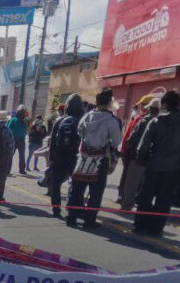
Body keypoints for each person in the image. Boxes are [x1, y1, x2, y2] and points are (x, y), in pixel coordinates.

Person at [133, 91, 180, 236]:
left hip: (155, 164)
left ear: (164, 104)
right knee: (165, 198)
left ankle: (140, 225)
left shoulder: (156, 121)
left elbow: (143, 145)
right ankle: (156, 228)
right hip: (175, 166)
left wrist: (141, 160)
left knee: (146, 196)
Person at [66, 89, 122, 229]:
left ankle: (71, 217)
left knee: (77, 188)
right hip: (100, 158)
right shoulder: (111, 120)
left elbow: (79, 132)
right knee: (96, 192)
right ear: (109, 102)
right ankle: (89, 220)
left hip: (84, 156)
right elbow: (116, 141)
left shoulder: (86, 116)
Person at [120, 98, 160, 210]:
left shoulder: (143, 121)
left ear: (150, 109)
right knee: (146, 185)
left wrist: (127, 154)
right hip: (153, 160)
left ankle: (127, 205)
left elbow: (132, 139)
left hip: (138, 157)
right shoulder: (162, 122)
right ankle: (143, 207)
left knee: (131, 184)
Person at [47, 94, 83, 219]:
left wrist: (51, 159)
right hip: (75, 157)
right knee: (75, 184)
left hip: (59, 156)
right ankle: (72, 210)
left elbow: (52, 142)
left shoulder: (60, 120)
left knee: (56, 184)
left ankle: (56, 209)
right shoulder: (82, 120)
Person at [7, 105, 28, 174]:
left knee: (17, 155)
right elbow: (8, 129)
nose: (22, 114)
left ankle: (20, 170)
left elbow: (26, 130)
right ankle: (9, 169)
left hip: (20, 139)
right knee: (12, 155)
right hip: (15, 139)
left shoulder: (23, 121)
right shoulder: (14, 120)